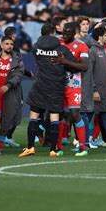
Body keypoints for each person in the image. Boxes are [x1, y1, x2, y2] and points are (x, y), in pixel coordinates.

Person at [19, 23, 76, 158]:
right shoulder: (62, 49)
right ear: (53, 33)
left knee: (33, 118)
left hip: (40, 86)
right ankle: (53, 150)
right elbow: (74, 65)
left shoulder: (35, 47)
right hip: (56, 87)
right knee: (54, 119)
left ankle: (30, 147)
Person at [56, 22, 89, 156]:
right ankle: (57, 147)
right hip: (58, 83)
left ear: (74, 33)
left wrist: (66, 62)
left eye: (68, 33)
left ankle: (82, 147)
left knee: (75, 114)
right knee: (58, 114)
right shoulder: (58, 44)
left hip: (74, 83)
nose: (65, 35)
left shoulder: (81, 45)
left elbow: (84, 66)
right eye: (64, 32)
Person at [0, 36, 25, 154]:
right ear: (1, 45)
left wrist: (8, 86)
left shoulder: (17, 60)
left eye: (11, 44)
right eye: (7, 44)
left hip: (10, 94)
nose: (9, 46)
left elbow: (19, 76)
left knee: (6, 123)